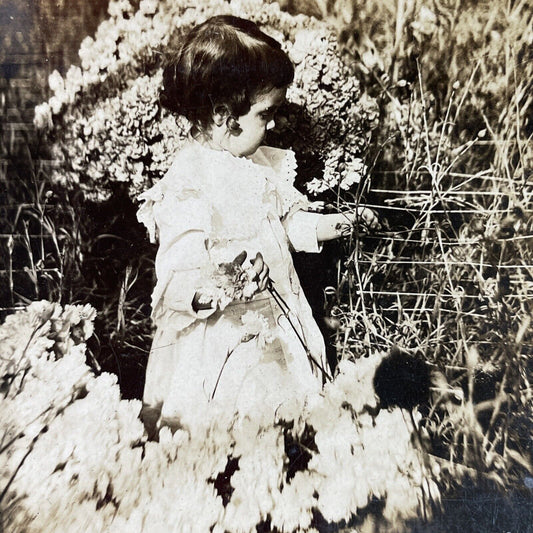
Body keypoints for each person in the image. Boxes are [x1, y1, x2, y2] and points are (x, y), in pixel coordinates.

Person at [137, 15, 377, 432]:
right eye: (266, 115)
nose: (273, 125)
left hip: (279, 314)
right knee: (234, 417)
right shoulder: (190, 180)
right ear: (222, 115)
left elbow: (287, 225)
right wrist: (217, 286)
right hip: (224, 333)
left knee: (291, 413)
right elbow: (178, 270)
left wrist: (341, 224)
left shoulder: (261, 165)